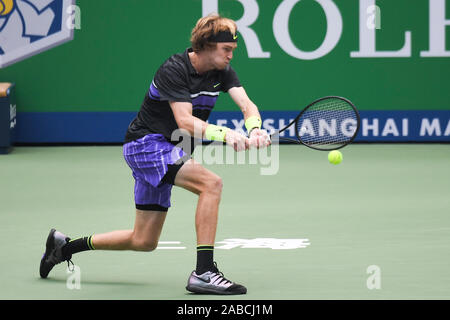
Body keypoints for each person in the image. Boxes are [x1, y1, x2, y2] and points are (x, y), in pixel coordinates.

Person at [39, 13, 271, 295]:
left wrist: (255, 128)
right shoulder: (174, 69)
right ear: (207, 45)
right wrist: (227, 135)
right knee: (211, 184)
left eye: (233, 50)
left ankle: (64, 247)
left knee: (144, 240)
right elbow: (185, 121)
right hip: (145, 145)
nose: (231, 55)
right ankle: (205, 272)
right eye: (227, 49)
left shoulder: (222, 73)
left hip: (169, 150)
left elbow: (247, 105)